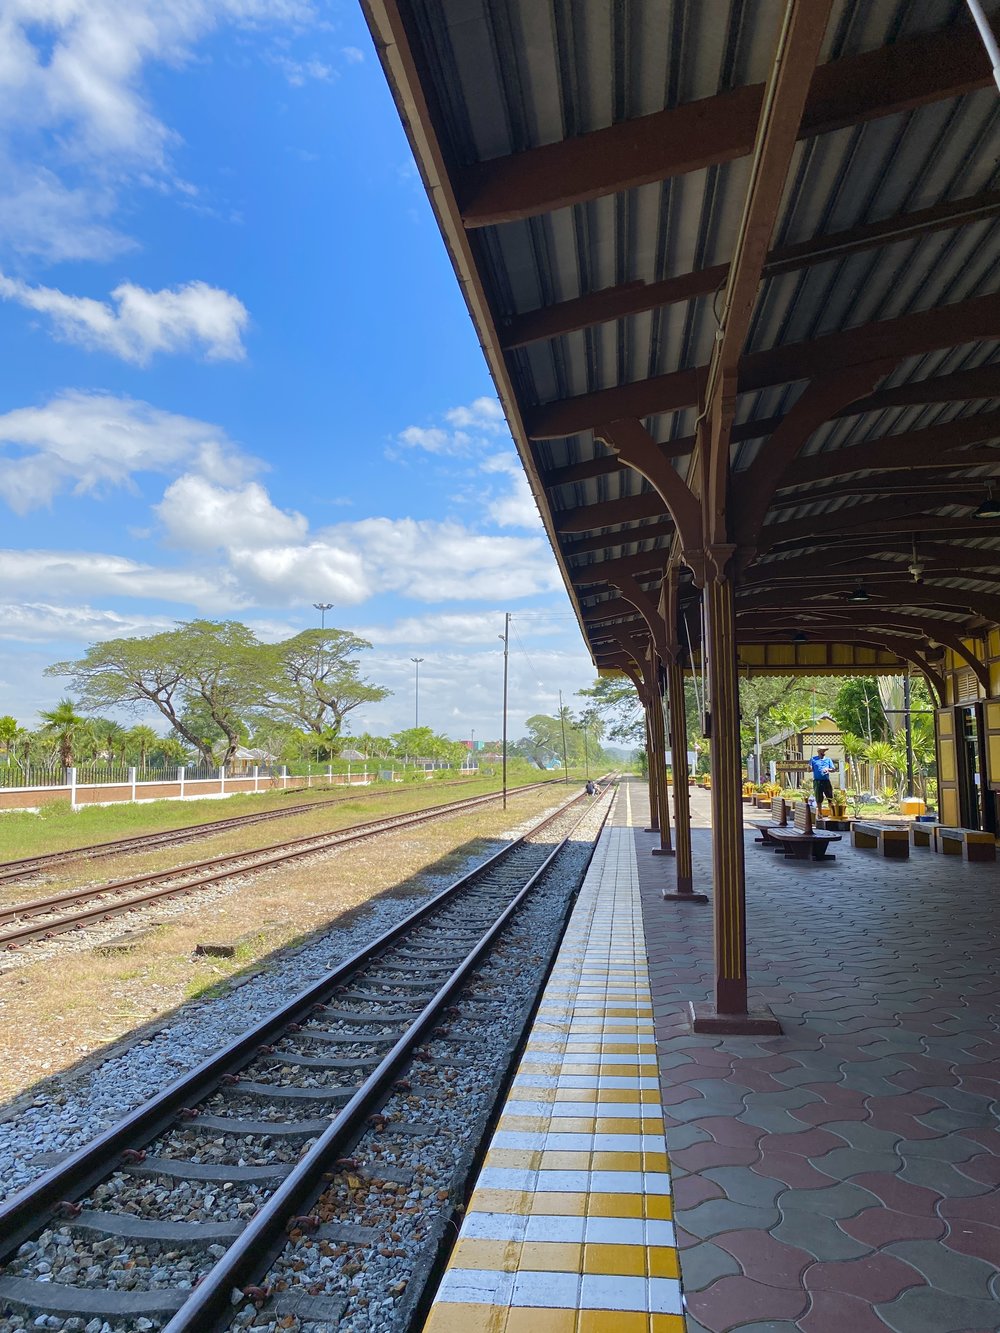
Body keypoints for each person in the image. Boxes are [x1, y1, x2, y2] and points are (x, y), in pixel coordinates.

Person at [810, 747, 835, 814]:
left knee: (830, 797)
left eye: (825, 751)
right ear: (818, 751)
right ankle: (820, 813)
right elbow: (809, 770)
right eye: (822, 751)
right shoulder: (813, 759)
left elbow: (833, 769)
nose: (824, 752)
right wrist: (809, 768)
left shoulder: (828, 759)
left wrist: (828, 769)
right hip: (817, 781)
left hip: (826, 781)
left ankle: (832, 813)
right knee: (819, 798)